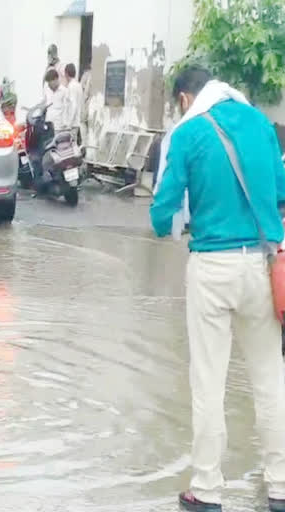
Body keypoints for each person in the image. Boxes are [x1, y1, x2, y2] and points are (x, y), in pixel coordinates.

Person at [150, 66, 285, 512]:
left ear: (185, 99)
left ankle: (206, 490)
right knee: (270, 380)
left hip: (212, 267)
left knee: (209, 381)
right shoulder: (262, 124)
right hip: (264, 267)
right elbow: (280, 192)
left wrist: (184, 216)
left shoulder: (188, 134)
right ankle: (281, 487)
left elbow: (160, 216)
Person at [65, 63, 83, 144]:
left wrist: (69, 123)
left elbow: (73, 105)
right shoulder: (78, 85)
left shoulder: (71, 86)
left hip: (72, 123)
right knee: (74, 144)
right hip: (77, 121)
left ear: (66, 73)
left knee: (70, 146)